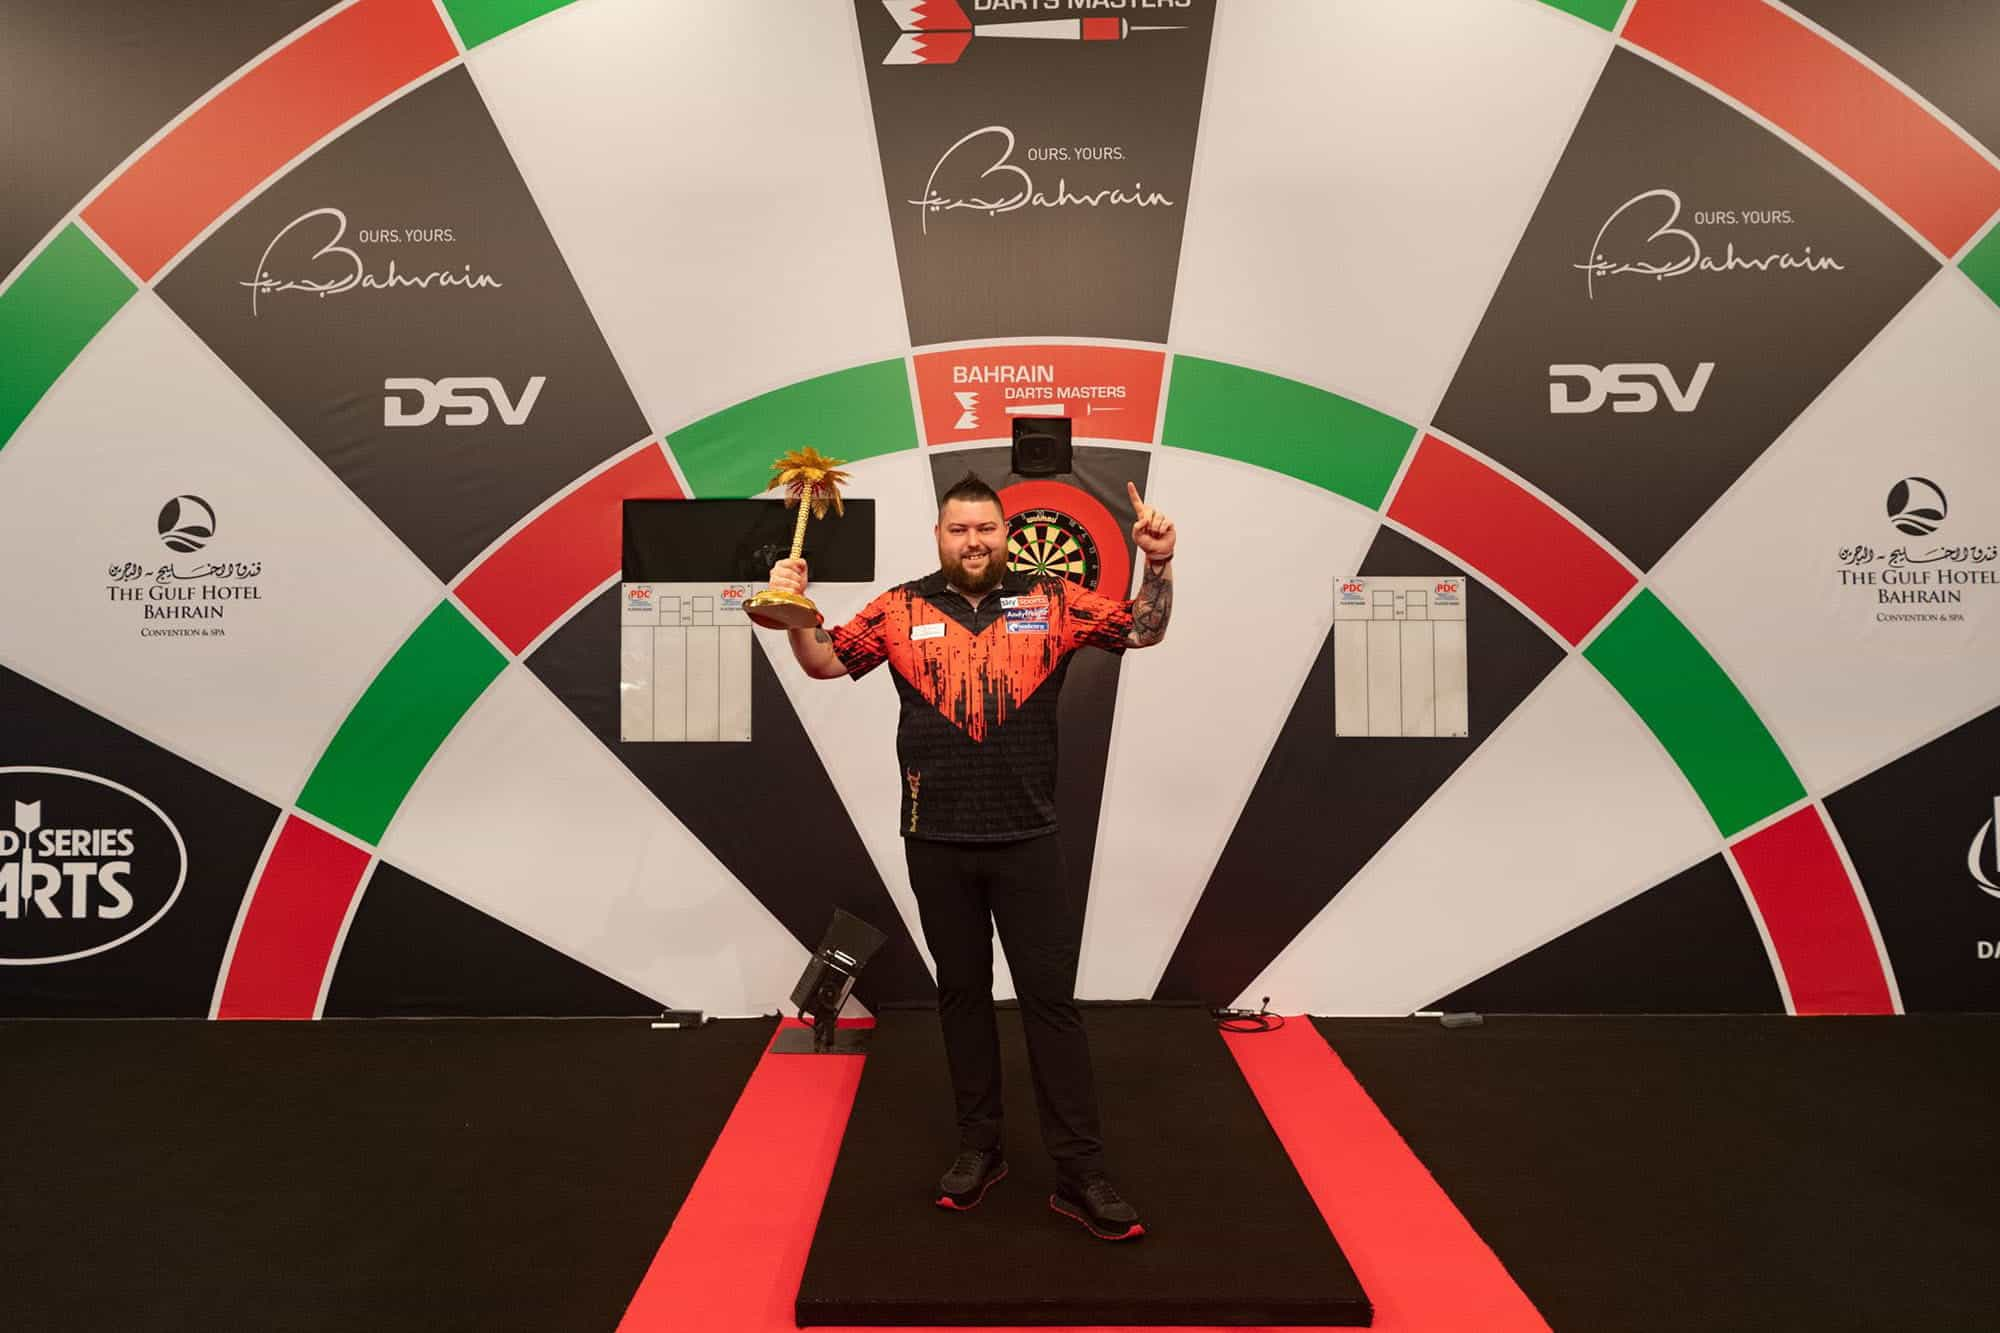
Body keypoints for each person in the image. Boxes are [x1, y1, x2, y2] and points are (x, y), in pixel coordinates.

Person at [768, 473, 1175, 1241]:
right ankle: (979, 1147)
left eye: (986, 528)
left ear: (1005, 533)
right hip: (936, 839)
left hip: (1028, 838)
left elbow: (1144, 630)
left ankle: (1080, 1170)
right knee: (961, 997)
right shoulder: (899, 606)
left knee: (1051, 1006)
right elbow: (822, 661)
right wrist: (796, 609)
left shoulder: (1051, 599)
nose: (975, 541)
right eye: (960, 529)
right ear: (940, 536)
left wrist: (1158, 565)